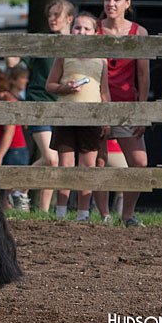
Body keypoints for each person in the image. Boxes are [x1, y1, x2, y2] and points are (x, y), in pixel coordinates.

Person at [6, 0, 76, 212]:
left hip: (65, 106)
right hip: (39, 104)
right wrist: (9, 51)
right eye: (50, 15)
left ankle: (43, 211)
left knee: (55, 162)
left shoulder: (77, 43)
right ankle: (18, 190)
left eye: (57, 15)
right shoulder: (42, 42)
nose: (52, 19)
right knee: (51, 158)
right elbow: (15, 64)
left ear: (69, 19)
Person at [46, 13, 111, 222]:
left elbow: (104, 92)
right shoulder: (65, 55)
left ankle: (84, 212)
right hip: (66, 116)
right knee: (66, 165)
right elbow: (50, 85)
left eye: (86, 29)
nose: (81, 32)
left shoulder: (101, 60)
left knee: (87, 166)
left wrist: (106, 118)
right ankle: (61, 211)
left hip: (91, 118)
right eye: (77, 28)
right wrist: (65, 88)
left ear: (95, 32)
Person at [96, 0, 149, 227]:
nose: (111, 4)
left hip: (127, 105)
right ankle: (104, 215)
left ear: (127, 3)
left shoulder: (138, 33)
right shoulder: (92, 30)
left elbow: (143, 75)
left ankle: (128, 214)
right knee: (98, 161)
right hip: (98, 103)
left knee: (139, 162)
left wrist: (141, 110)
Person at [0, 68, 30, 210]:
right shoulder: (0, 99)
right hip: (10, 149)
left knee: (8, 194)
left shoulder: (7, 100)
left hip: (14, 150)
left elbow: (9, 132)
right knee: (4, 194)